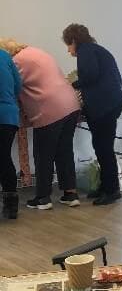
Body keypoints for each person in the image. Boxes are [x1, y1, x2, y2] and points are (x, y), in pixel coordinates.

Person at [0, 39, 81, 210]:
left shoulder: (16, 61)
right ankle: (70, 194)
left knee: (43, 153)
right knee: (64, 151)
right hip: (71, 103)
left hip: (50, 108)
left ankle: (43, 198)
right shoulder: (37, 52)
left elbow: (15, 87)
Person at [61, 24, 122, 205]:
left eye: (68, 44)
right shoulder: (96, 50)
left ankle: (112, 190)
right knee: (101, 146)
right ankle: (106, 186)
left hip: (105, 106)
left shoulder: (86, 51)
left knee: (103, 147)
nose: (68, 50)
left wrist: (70, 86)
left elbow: (90, 75)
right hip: (110, 103)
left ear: (74, 40)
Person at [0, 48, 22, 220]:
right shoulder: (5, 55)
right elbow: (18, 85)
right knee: (4, 158)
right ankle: (11, 205)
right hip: (9, 115)